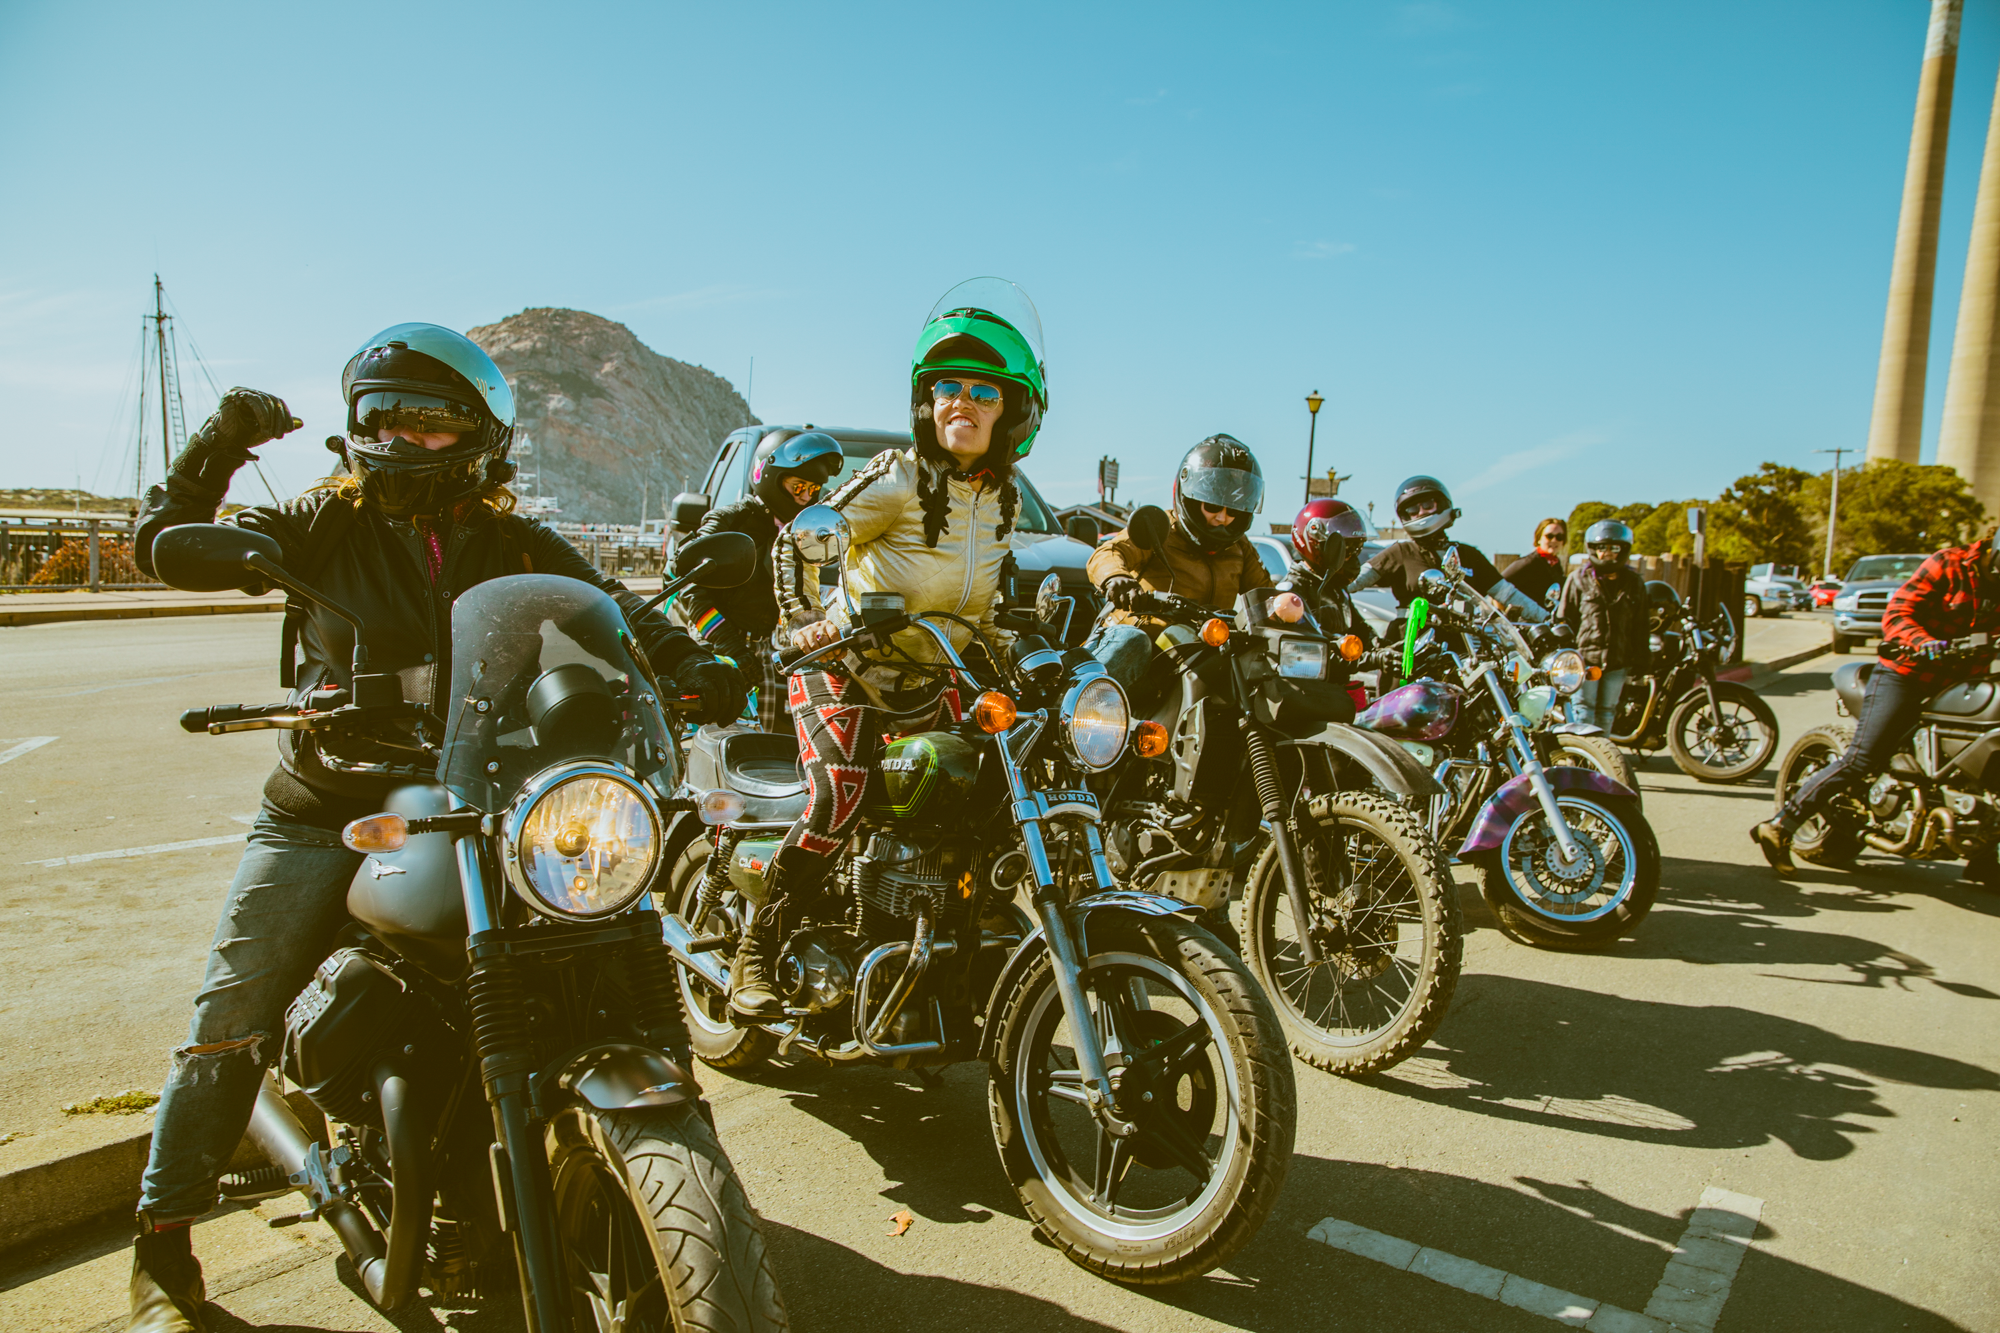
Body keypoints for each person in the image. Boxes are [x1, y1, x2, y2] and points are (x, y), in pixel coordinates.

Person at [124, 324, 746, 1333]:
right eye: (387, 421)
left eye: (434, 423)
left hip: (479, 794)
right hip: (332, 802)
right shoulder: (321, 521)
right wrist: (219, 446)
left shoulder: (514, 541)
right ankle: (163, 1242)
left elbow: (617, 609)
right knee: (232, 1011)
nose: (408, 442)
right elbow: (166, 541)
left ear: (482, 435)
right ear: (357, 428)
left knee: (596, 926)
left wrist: (688, 660)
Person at [734, 280, 1046, 1019]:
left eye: (984, 391)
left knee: (997, 783)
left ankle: (947, 939)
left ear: (1011, 411)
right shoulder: (898, 478)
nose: (962, 401)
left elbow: (986, 609)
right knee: (839, 793)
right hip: (848, 669)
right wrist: (808, 623)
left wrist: (1028, 654)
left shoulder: (1002, 500)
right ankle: (757, 946)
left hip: (933, 675)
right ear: (925, 402)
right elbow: (802, 539)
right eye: (947, 387)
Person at [1753, 531, 2000, 879]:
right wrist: (1922, 640)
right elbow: (1899, 612)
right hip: (1908, 672)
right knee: (1862, 758)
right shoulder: (1949, 564)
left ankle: (1986, 859)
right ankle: (1780, 825)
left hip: (1962, 682)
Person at [683, 430, 844, 730]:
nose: (806, 497)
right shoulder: (730, 520)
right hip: (717, 646)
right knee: (712, 736)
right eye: (798, 486)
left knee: (767, 742)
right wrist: (731, 647)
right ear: (770, 476)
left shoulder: (804, 532)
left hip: (769, 651)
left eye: (813, 488)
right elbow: (687, 586)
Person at [1083, 434, 1268, 691]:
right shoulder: (1161, 528)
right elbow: (1108, 552)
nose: (1223, 518)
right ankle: (1076, 706)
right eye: (1213, 505)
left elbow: (1265, 595)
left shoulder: (1240, 547)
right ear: (1189, 496)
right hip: (1146, 638)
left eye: (1234, 510)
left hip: (1204, 644)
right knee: (1132, 642)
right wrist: (1116, 577)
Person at [1348, 474, 1548, 622]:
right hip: (1410, 646)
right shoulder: (1400, 552)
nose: (1421, 512)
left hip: (1463, 647)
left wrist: (1547, 619)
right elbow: (1351, 582)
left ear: (1442, 504)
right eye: (1413, 509)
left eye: (1427, 504)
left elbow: (1507, 594)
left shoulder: (1469, 555)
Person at [1555, 519, 1649, 731]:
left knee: (1608, 712)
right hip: (1585, 659)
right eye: (1601, 547)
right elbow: (1564, 620)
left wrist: (1642, 658)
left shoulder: (1634, 583)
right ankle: (1582, 752)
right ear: (1592, 549)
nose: (1607, 553)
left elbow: (1641, 624)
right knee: (1583, 711)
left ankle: (1601, 752)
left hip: (1618, 660)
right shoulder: (1578, 579)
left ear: (1623, 550)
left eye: (1614, 548)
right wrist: (1567, 657)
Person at [1281, 496, 1375, 645]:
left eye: (1354, 549)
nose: (1350, 558)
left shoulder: (1335, 587)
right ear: (1317, 545)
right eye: (1343, 550)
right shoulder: (1293, 592)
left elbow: (1359, 628)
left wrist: (1382, 647)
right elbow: (1302, 643)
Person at [1504, 516, 1569, 607]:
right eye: (1549, 536)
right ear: (1539, 539)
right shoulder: (1529, 562)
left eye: (1559, 537)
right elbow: (1498, 588)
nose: (1554, 540)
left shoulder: (1556, 565)